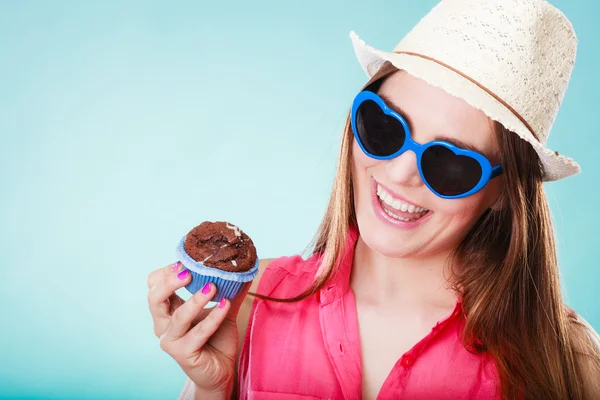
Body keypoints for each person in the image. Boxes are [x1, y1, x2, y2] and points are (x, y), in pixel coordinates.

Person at [147, 0, 600, 398]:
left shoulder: (568, 359)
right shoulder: (253, 301)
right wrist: (211, 388)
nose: (400, 172)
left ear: (504, 193)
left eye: (451, 164)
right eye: (384, 127)